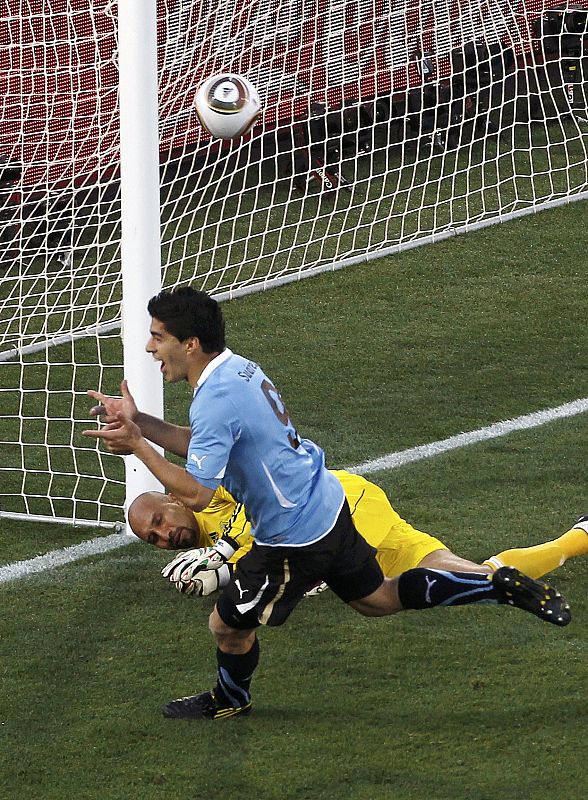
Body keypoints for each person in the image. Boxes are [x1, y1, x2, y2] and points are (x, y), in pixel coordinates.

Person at [83, 287, 572, 722]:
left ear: (189, 344)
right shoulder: (238, 370)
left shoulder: (213, 399)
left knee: (225, 626)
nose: (150, 348)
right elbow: (209, 443)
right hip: (328, 503)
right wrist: (142, 421)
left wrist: (137, 447)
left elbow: (198, 493)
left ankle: (230, 698)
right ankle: (492, 587)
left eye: (158, 337)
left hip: (291, 538)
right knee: (376, 599)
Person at [126, 471, 588, 597]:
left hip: (342, 506)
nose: (164, 535)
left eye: (160, 521)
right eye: (154, 539)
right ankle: (579, 537)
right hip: (359, 510)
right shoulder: (200, 548)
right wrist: (220, 570)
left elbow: (262, 498)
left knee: (339, 583)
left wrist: (226, 566)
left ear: (172, 499)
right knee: (471, 575)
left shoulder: (208, 496)